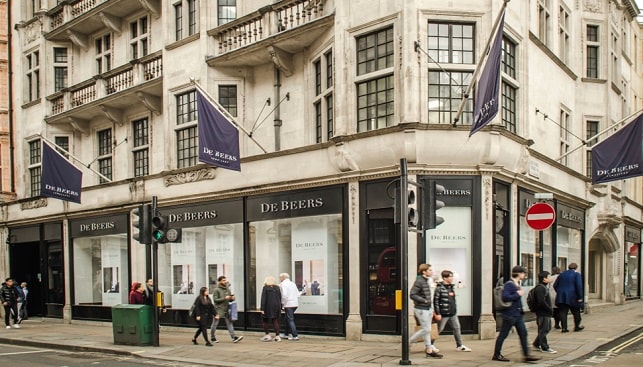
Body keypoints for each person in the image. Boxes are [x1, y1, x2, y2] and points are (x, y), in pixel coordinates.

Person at [491, 266, 540, 363]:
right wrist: (518, 294)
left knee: (523, 334)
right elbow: (505, 297)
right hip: (510, 315)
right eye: (523, 273)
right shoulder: (509, 284)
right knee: (503, 335)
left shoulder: (515, 283)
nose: (524, 275)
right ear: (518, 273)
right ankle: (496, 354)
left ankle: (527, 355)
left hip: (517, 314)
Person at [433, 270, 472, 353]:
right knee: (439, 329)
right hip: (444, 313)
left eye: (452, 276)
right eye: (450, 276)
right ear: (445, 278)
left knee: (457, 328)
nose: (452, 278)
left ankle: (459, 345)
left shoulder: (451, 287)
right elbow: (435, 301)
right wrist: (438, 313)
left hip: (452, 313)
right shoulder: (439, 288)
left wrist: (454, 309)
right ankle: (430, 344)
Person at [409, 264, 442, 358]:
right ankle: (408, 341)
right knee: (426, 329)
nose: (432, 272)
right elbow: (412, 294)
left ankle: (429, 350)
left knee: (427, 330)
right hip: (421, 309)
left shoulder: (427, 281)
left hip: (428, 309)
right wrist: (424, 301)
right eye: (430, 270)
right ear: (424, 271)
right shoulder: (419, 281)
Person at [211, 276, 243, 343]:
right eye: (223, 280)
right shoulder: (216, 290)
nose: (225, 281)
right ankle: (212, 337)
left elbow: (229, 300)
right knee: (215, 324)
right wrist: (225, 298)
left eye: (225, 280)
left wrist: (232, 298)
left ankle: (234, 337)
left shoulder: (227, 289)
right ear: (219, 281)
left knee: (229, 323)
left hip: (227, 309)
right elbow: (215, 300)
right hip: (218, 309)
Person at [554, 263, 584, 332]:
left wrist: (559, 292)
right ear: (576, 268)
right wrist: (580, 297)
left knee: (563, 312)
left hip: (561, 296)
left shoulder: (561, 274)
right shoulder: (576, 275)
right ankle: (577, 326)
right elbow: (578, 286)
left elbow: (555, 285)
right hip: (573, 296)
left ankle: (564, 328)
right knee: (576, 312)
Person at [532, 271, 557, 353]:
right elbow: (541, 301)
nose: (550, 278)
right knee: (544, 329)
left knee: (546, 328)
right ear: (544, 279)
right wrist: (549, 308)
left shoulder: (543, 287)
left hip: (544, 312)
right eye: (548, 277)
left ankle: (536, 343)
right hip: (542, 312)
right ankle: (544, 347)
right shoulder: (540, 288)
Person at [260, 276, 282, 342]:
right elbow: (280, 297)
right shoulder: (277, 288)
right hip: (276, 306)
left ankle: (267, 335)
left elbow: (263, 298)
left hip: (268, 306)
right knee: (275, 320)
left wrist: (262, 308)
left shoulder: (265, 288)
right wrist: (280, 306)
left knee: (265, 320)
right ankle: (277, 336)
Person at [279, 273, 300, 340]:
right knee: (287, 319)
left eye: (280, 277)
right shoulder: (293, 284)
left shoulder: (283, 284)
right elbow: (298, 294)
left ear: (283, 278)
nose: (280, 279)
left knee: (290, 319)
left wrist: (282, 303)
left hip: (288, 304)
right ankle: (286, 333)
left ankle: (295, 335)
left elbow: (284, 295)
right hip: (295, 304)